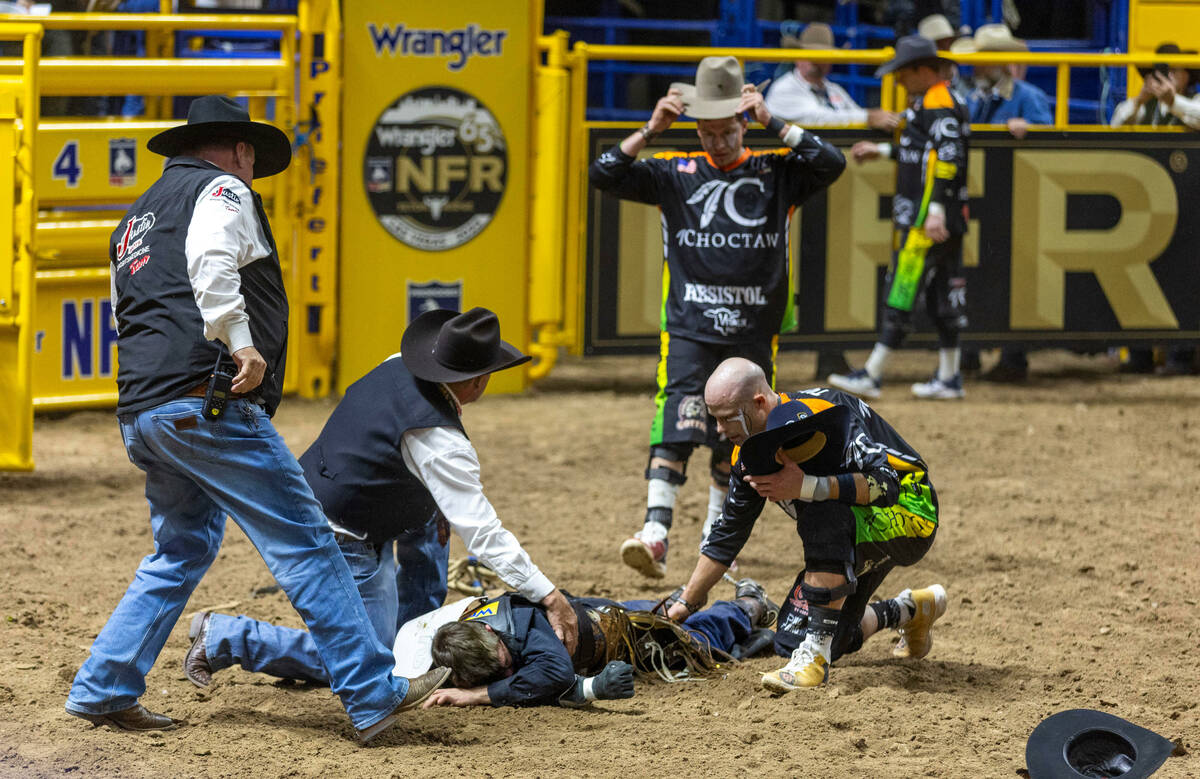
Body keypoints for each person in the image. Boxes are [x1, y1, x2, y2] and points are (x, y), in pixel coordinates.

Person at [65, 95, 448, 743]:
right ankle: (371, 690)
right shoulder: (222, 192)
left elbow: (125, 314)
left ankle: (103, 684)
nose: (250, 170)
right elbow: (212, 260)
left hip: (146, 411)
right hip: (207, 401)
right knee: (306, 539)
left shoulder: (132, 222)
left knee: (180, 548)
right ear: (240, 150)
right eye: (250, 158)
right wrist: (241, 341)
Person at [184, 307, 581, 687]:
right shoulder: (441, 443)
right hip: (345, 529)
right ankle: (228, 637)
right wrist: (548, 593)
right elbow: (483, 533)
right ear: (478, 381)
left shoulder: (398, 363)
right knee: (371, 659)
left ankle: (419, 642)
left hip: (330, 490)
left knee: (434, 515)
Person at [589, 56, 846, 580]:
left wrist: (777, 122)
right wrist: (650, 129)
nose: (716, 142)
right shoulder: (673, 172)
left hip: (753, 331)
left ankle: (715, 540)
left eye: (726, 131)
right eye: (706, 132)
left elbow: (832, 162)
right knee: (674, 424)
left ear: (744, 124)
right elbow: (604, 173)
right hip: (689, 326)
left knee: (740, 435)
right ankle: (655, 535)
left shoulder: (776, 170)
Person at [664, 357, 947, 693]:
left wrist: (806, 486)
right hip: (856, 527)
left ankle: (814, 659)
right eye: (715, 419)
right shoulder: (748, 454)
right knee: (791, 636)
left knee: (820, 505)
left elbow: (886, 485)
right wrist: (686, 603)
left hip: (912, 512)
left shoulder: (828, 412)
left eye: (726, 419)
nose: (719, 431)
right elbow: (727, 535)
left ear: (758, 403)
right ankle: (910, 609)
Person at [828, 35, 970, 400]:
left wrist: (935, 210)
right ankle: (950, 377)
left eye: (904, 73)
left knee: (902, 290)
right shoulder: (933, 101)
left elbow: (950, 157)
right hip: (939, 216)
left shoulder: (938, 102)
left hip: (927, 220)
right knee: (942, 294)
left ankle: (872, 374)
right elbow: (922, 151)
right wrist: (884, 149)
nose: (899, 80)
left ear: (924, 70)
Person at [764, 22, 898, 381]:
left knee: (828, 271)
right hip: (794, 194)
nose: (823, 63)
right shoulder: (784, 90)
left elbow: (837, 116)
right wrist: (865, 117)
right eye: (816, 56)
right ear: (801, 56)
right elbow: (813, 119)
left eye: (827, 56)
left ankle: (830, 352)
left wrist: (869, 120)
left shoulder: (835, 91)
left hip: (826, 193)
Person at [420, 580, 779, 709]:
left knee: (693, 641)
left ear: (492, 632)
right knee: (665, 613)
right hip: (597, 616)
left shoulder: (522, 624)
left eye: (504, 661)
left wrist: (481, 694)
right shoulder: (459, 647)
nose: (508, 670)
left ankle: (748, 606)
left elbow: (556, 673)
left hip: (616, 635)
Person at [765, 23, 900, 132]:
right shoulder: (784, 88)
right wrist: (869, 117)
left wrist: (875, 118)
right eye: (810, 54)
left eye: (823, 55)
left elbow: (854, 112)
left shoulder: (833, 89)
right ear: (797, 57)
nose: (816, 60)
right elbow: (817, 118)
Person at [955, 24, 1052, 140]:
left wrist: (1028, 127)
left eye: (982, 61)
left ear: (1000, 62)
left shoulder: (1029, 95)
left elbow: (1047, 135)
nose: (976, 67)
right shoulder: (972, 97)